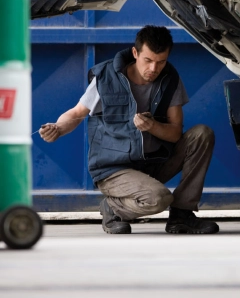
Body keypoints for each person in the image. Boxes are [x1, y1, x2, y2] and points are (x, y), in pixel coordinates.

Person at [39, 25, 219, 235]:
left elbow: (175, 133)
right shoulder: (106, 76)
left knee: (202, 134)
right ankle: (112, 208)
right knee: (159, 199)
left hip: (153, 163)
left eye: (161, 62)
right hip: (114, 170)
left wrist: (152, 126)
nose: (154, 68)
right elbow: (76, 113)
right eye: (148, 60)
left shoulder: (170, 79)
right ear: (135, 53)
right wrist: (58, 128)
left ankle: (182, 216)